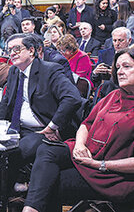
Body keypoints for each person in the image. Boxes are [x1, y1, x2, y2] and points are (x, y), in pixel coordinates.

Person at [0, 33, 81, 205]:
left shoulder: (50, 69)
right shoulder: (14, 71)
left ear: (32, 51)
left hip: (43, 129)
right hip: (17, 128)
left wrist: (53, 126)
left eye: (17, 49)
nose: (12, 53)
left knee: (13, 153)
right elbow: (6, 102)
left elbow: (72, 98)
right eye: (9, 50)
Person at [22, 46, 134, 212]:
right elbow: (86, 124)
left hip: (112, 174)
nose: (120, 72)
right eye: (117, 67)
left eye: (127, 66)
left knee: (49, 183)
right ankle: (30, 210)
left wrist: (101, 164)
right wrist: (80, 145)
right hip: (88, 154)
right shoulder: (113, 95)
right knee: (46, 149)